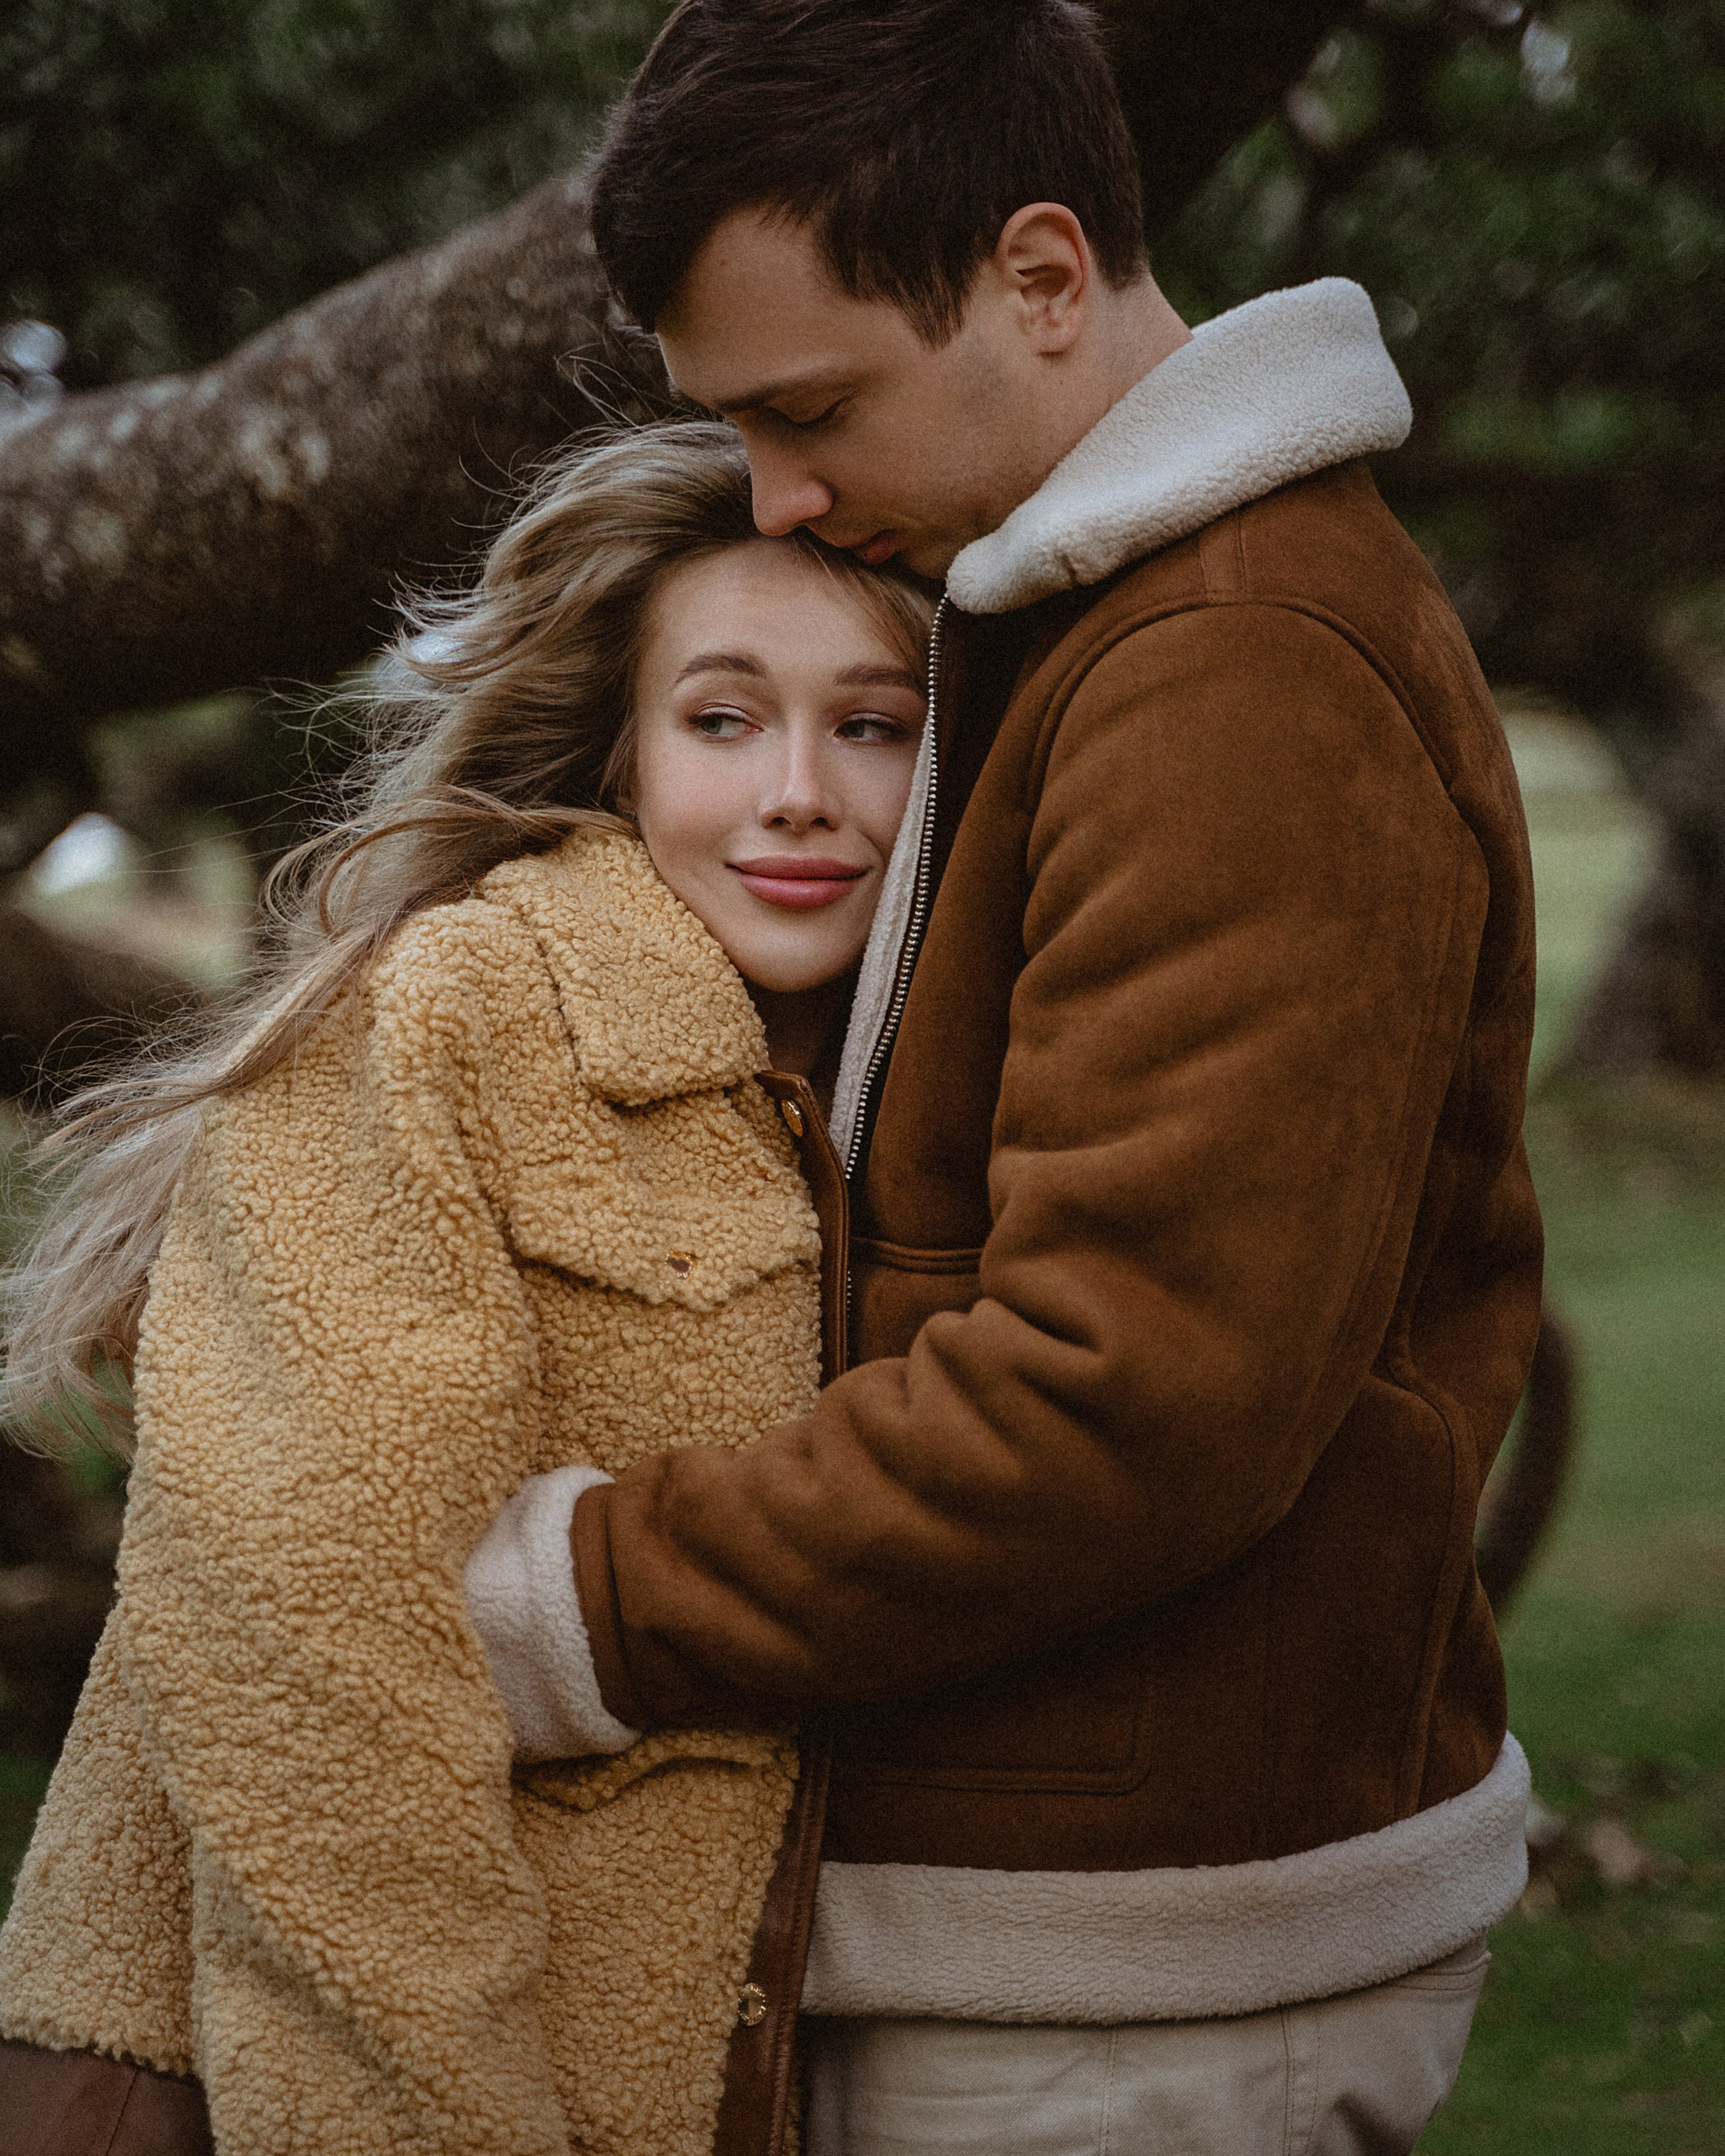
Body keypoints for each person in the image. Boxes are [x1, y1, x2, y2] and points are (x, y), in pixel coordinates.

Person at [462, 3, 1547, 2152]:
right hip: (1062, 1940)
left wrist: (574, 1605)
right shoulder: (1089, 617)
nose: (777, 494)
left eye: (812, 407)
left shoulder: (1236, 661)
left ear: (1042, 280)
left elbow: (1120, 1396)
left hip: (1134, 1990)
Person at [0, 422, 933, 2155]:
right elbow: (306, 1643)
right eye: (722, 720)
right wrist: (445, 2115)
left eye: (871, 726)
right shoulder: (455, 1014)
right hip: (305, 2077)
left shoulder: (916, 1083)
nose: (801, 786)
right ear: (623, 751)